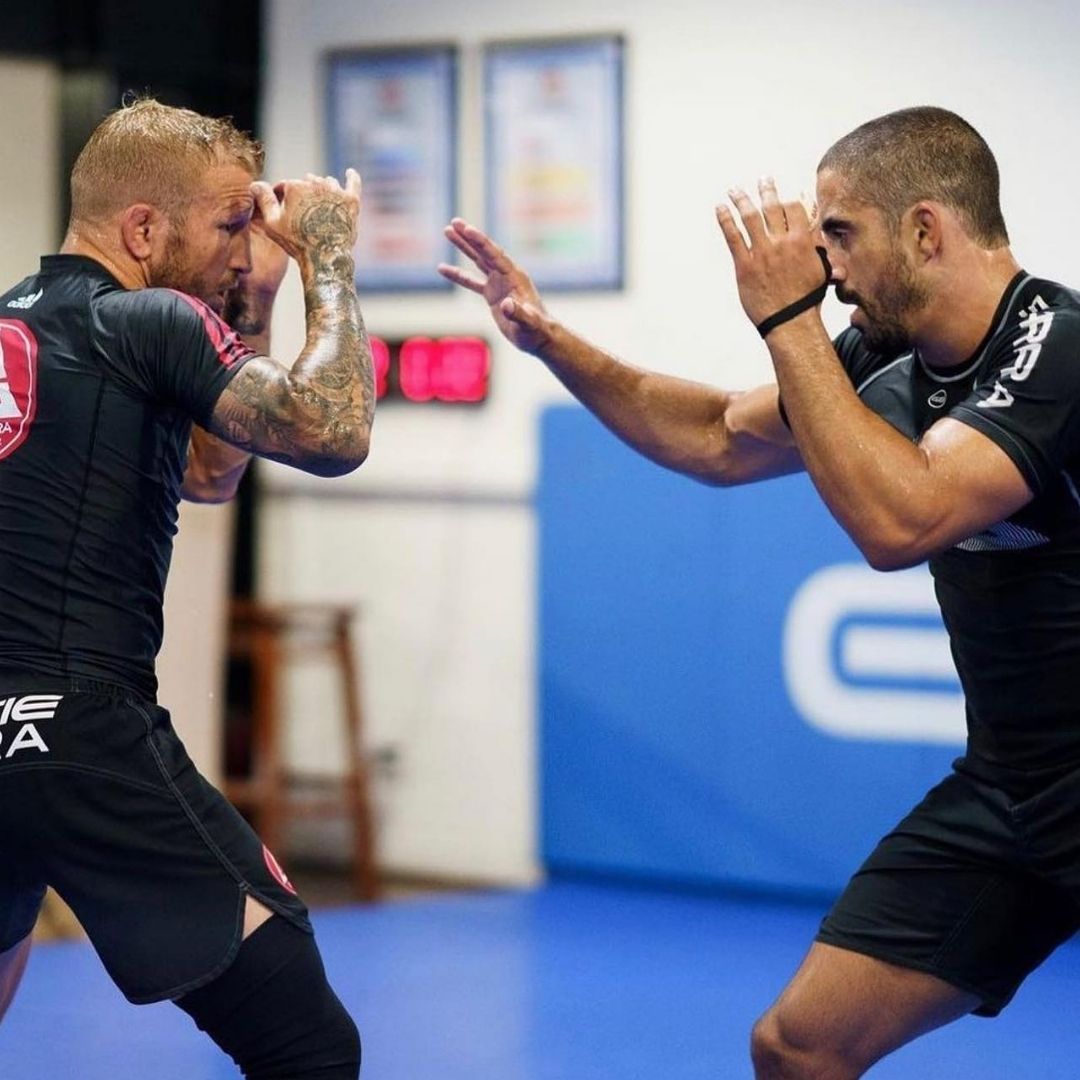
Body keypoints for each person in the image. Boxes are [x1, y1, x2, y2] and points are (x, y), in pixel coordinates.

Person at [439, 105, 1080, 1078]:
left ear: (925, 230)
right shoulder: (883, 352)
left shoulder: (1058, 345)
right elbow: (715, 439)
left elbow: (903, 521)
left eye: (840, 236)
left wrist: (789, 321)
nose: (824, 268)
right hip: (1017, 788)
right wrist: (552, 341)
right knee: (798, 1048)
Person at [0, 98, 374, 1078]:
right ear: (142, 230)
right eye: (226, 227)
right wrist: (327, 259)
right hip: (82, 732)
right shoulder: (146, 319)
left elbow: (209, 472)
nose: (241, 251)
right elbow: (331, 430)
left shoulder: (27, 327)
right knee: (311, 1046)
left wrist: (251, 287)